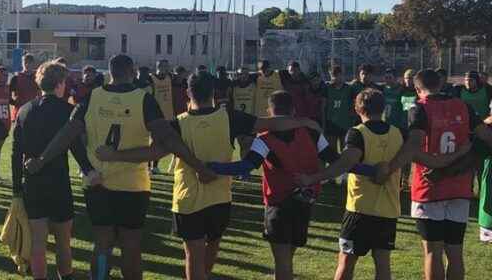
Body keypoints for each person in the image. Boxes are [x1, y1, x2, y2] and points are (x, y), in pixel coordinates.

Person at [110, 71, 323, 280]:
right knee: (212, 245)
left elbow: (152, 154)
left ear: (188, 93)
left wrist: (115, 155)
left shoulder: (177, 123)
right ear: (213, 92)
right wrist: (304, 122)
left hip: (188, 199)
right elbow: (272, 123)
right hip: (220, 198)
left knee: (192, 253)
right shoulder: (229, 117)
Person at [26, 54, 217, 280]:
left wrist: (41, 159)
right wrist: (198, 166)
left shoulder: (92, 97)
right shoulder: (143, 99)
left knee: (102, 244)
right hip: (132, 186)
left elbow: (67, 133)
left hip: (98, 184)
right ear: (132, 71)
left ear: (110, 72)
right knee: (131, 246)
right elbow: (169, 139)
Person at [207, 91, 351, 280]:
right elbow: (336, 160)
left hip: (278, 203)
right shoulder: (311, 132)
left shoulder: (264, 138)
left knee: (282, 262)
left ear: (269, 111)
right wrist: (369, 169)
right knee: (286, 259)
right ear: (293, 110)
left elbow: (245, 166)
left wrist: (211, 167)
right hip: (305, 200)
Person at [381, 69, 487, 280]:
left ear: (417, 89)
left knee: (432, 253)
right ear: (440, 84)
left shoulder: (419, 108)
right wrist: (465, 158)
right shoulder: (463, 106)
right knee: (455, 253)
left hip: (429, 189)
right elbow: (486, 137)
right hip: (459, 188)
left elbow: (413, 144)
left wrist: (390, 169)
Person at [297, 89, 403, 280]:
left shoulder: (357, 133)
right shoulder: (397, 133)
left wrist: (312, 178)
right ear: (382, 108)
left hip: (360, 209)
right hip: (388, 209)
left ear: (357, 108)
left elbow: (343, 165)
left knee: (346, 263)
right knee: (383, 266)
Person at [11, 60, 102, 280]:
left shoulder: (24, 111)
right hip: (58, 181)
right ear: (60, 84)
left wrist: (16, 189)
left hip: (32, 182)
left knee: (38, 241)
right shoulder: (68, 111)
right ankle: (66, 276)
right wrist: (89, 171)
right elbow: (76, 147)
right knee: (63, 239)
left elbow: (16, 154)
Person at [323, 66, 356, 157]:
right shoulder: (327, 88)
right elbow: (323, 107)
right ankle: (333, 170)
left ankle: (344, 171)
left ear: (343, 75)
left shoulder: (349, 89)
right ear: (330, 76)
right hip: (331, 124)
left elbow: (354, 106)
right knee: (332, 153)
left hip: (345, 124)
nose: (336, 78)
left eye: (339, 75)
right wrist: (324, 124)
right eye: (333, 75)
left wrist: (352, 120)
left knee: (345, 152)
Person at [150, 59, 175, 174]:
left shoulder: (170, 78)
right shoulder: (152, 78)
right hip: (156, 115)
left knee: (161, 142)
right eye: (163, 66)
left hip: (169, 115)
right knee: (155, 141)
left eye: (167, 66)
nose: (165, 69)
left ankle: (154, 166)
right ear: (158, 66)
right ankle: (151, 166)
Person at [9, 53, 39, 120]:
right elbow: (8, 94)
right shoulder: (16, 78)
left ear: (33, 64)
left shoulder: (38, 77)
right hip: (19, 112)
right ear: (22, 63)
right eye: (25, 62)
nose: (27, 65)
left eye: (29, 63)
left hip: (34, 112)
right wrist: (15, 103)